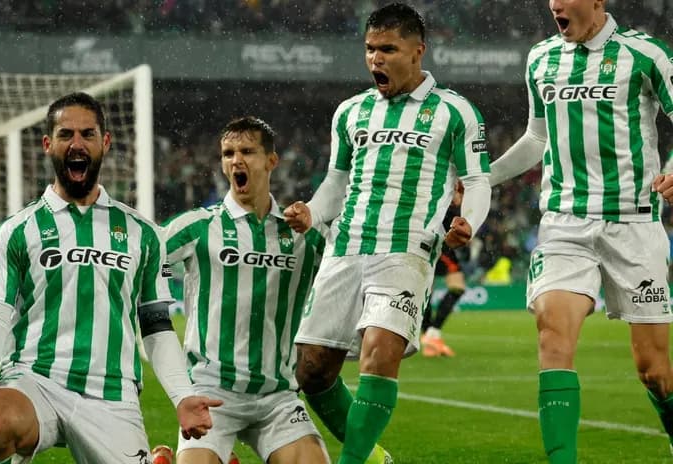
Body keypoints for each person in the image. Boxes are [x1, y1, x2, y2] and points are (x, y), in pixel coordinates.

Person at [0, 92, 222, 464]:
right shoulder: (18, 230)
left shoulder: (142, 233)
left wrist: (183, 396)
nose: (76, 143)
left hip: (112, 393)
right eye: (65, 134)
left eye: (87, 134)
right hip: (35, 378)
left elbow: (156, 325)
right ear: (48, 145)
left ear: (105, 143)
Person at [282, 4, 492, 463]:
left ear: (418, 52)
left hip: (406, 252)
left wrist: (468, 222)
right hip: (345, 247)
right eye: (370, 49)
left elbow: (477, 181)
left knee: (380, 350)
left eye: (388, 49)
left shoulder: (454, 111)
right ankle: (376, 458)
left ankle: (352, 461)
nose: (376, 58)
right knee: (312, 370)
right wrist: (311, 212)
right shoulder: (351, 112)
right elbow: (336, 183)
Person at [490, 0, 673, 461]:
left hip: (634, 224)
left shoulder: (645, 54)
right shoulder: (541, 58)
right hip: (565, 223)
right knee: (553, 337)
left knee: (654, 371)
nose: (555, 5)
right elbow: (537, 137)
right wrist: (483, 177)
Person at [155, 116, 392, 464]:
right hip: (211, 391)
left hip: (278, 396)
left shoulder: (303, 234)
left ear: (271, 161)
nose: (236, 160)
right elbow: (142, 257)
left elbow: (354, 261)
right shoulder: (198, 227)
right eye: (228, 153)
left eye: (247, 151)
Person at [420, 183, 467, 357]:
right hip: (441, 247)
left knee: (427, 292)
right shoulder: (445, 199)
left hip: (436, 246)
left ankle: (429, 339)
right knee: (456, 288)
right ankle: (432, 333)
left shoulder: (442, 194)